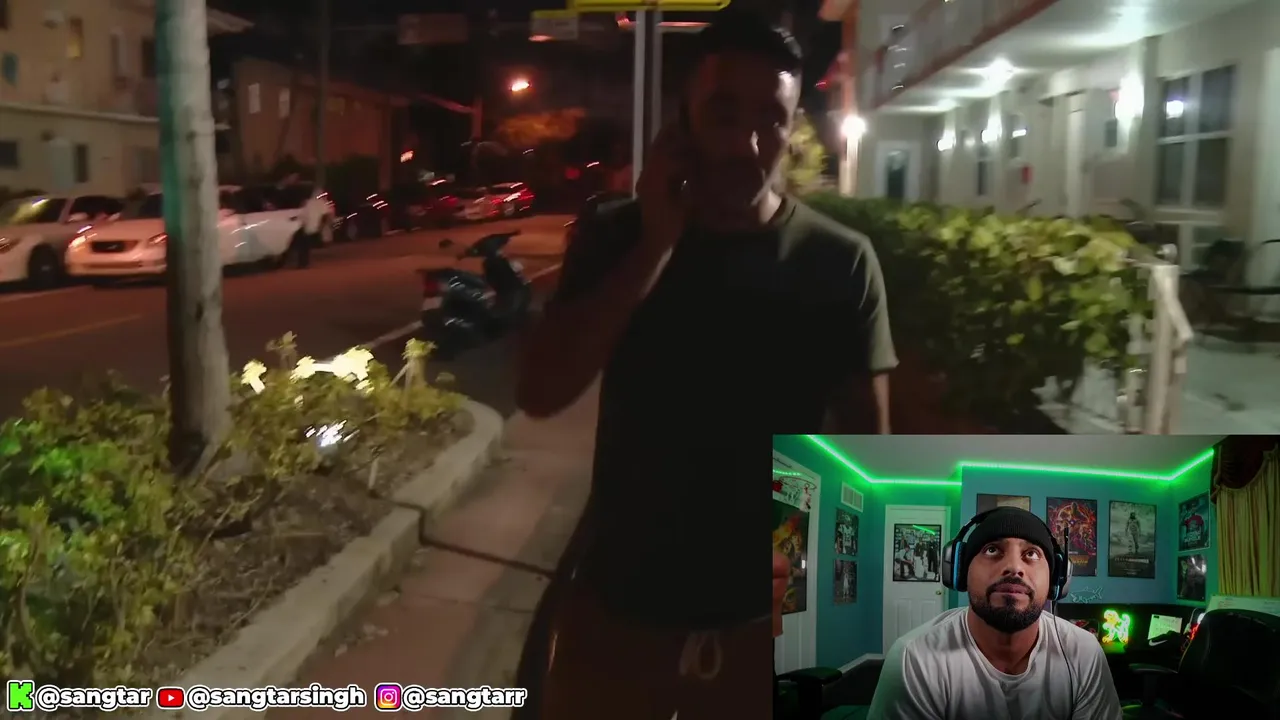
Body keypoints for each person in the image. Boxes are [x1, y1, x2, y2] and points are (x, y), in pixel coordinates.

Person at [516, 10, 897, 720]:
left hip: (767, 631)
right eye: (724, 113)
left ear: (793, 127)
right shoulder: (615, 236)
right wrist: (654, 247)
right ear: (683, 120)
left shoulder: (839, 262)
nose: (748, 144)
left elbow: (867, 456)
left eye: (771, 118)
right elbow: (540, 391)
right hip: (616, 621)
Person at [868, 508, 1122, 720]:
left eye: (1031, 554)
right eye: (992, 550)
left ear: (1057, 579)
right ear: (960, 571)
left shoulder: (1083, 652)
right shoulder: (915, 658)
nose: (1014, 567)